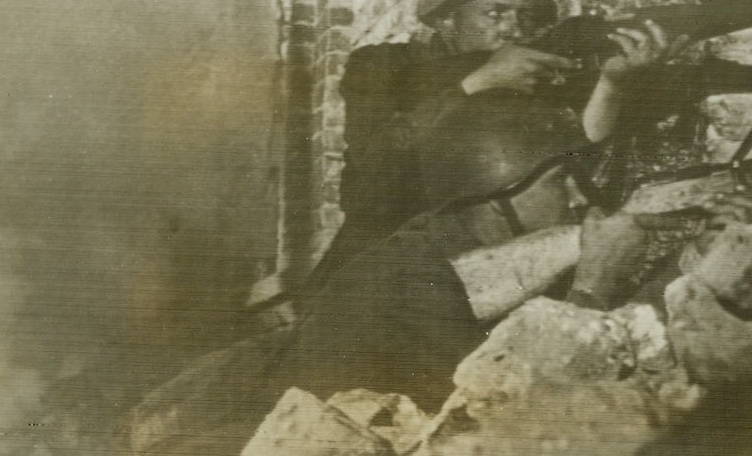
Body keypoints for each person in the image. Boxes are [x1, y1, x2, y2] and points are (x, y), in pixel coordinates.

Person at [282, 92, 691, 412]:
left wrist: (690, 265)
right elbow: (503, 418)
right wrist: (593, 285)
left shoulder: (474, 254)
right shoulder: (401, 282)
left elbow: (628, 344)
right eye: (559, 180)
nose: (580, 197)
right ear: (495, 196)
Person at [318, 0, 687, 283]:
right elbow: (375, 170)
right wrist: (475, 84)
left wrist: (613, 84)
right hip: (388, 264)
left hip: (504, 261)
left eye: (526, 16)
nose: (514, 29)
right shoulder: (383, 67)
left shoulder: (538, 81)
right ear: (447, 20)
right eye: (495, 14)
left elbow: (582, 169)